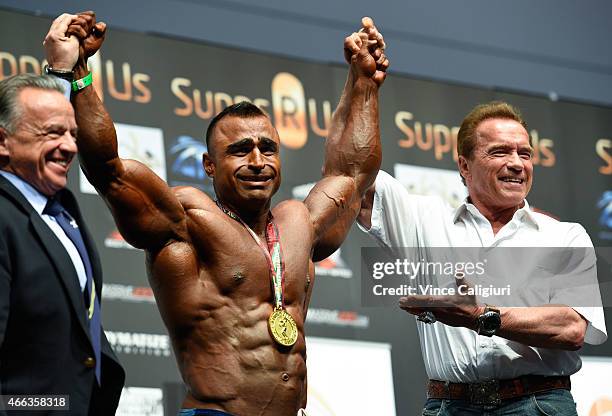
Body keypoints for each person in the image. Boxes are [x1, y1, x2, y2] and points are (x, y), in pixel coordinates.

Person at [45, 11, 388, 416]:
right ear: (210, 165)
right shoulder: (187, 220)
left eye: (268, 148)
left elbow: (352, 172)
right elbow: (109, 171)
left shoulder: (299, 223)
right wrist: (77, 73)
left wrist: (363, 82)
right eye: (240, 150)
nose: (258, 160)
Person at [358, 101, 608, 415]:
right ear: (465, 166)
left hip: (537, 405)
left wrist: (481, 316)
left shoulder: (564, 236)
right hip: (449, 406)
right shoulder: (423, 221)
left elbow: (572, 329)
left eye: (525, 153)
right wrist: (363, 83)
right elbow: (353, 171)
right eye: (500, 152)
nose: (518, 163)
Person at [0, 73, 125, 415]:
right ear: (3, 141)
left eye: (72, 134)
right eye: (53, 133)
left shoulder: (61, 212)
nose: (70, 146)